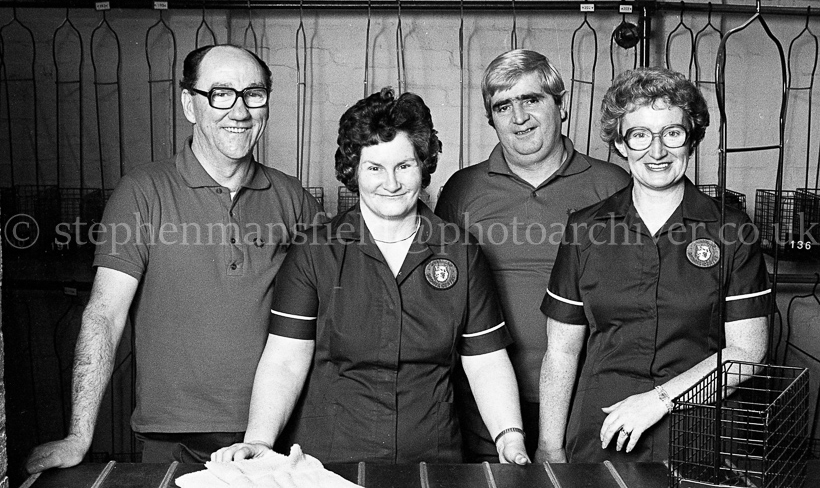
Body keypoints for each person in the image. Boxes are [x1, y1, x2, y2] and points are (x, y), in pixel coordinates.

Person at [25, 44, 322, 471]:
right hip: (172, 439)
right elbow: (105, 314)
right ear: (189, 103)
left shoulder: (292, 198)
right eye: (220, 93)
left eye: (253, 94)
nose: (239, 111)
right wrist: (79, 436)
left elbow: (330, 306)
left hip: (275, 434)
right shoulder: (142, 193)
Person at [212, 88, 530, 465]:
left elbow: (486, 360)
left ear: (424, 165)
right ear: (353, 171)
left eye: (404, 166)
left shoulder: (460, 250)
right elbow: (285, 358)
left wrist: (510, 439)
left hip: (434, 457)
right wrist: (260, 441)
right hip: (329, 461)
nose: (391, 183)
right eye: (375, 168)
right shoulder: (315, 252)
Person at [536, 68, 771, 464]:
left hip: (699, 435)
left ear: (691, 140)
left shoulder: (732, 230)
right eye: (640, 135)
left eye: (672, 134)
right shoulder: (585, 229)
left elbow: (748, 351)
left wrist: (658, 401)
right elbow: (561, 350)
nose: (657, 151)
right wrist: (550, 446)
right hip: (601, 433)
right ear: (621, 144)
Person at [435, 49, 629, 460]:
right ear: (491, 119)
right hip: (484, 402)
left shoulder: (611, 185)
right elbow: (440, 297)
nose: (518, 117)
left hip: (584, 400)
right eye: (503, 106)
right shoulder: (462, 190)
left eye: (531, 99)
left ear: (560, 105)